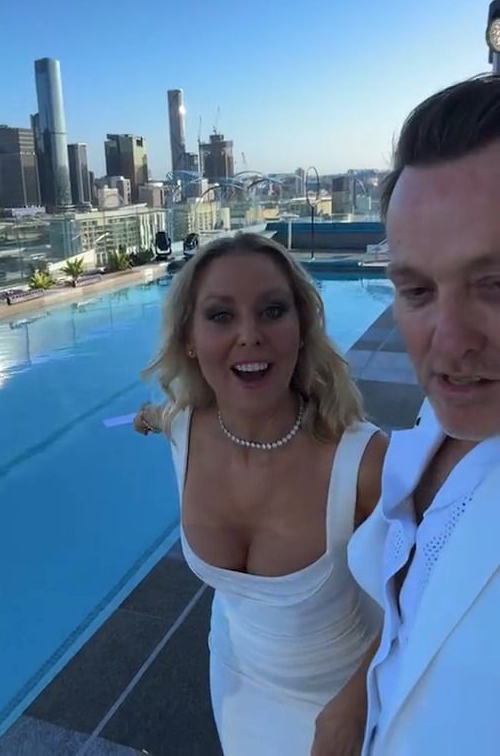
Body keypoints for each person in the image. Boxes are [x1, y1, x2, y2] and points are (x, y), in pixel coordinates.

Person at [134, 232, 387, 756]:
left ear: (301, 329)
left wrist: (357, 703)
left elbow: (430, 594)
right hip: (235, 676)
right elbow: (164, 415)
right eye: (221, 316)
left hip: (343, 704)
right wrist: (148, 418)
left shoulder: (362, 462)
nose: (249, 336)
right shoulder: (184, 428)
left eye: (272, 311)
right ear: (190, 339)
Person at [312, 74, 500, 756]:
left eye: (496, 284)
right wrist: (358, 698)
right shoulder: (441, 420)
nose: (447, 342)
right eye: (416, 290)